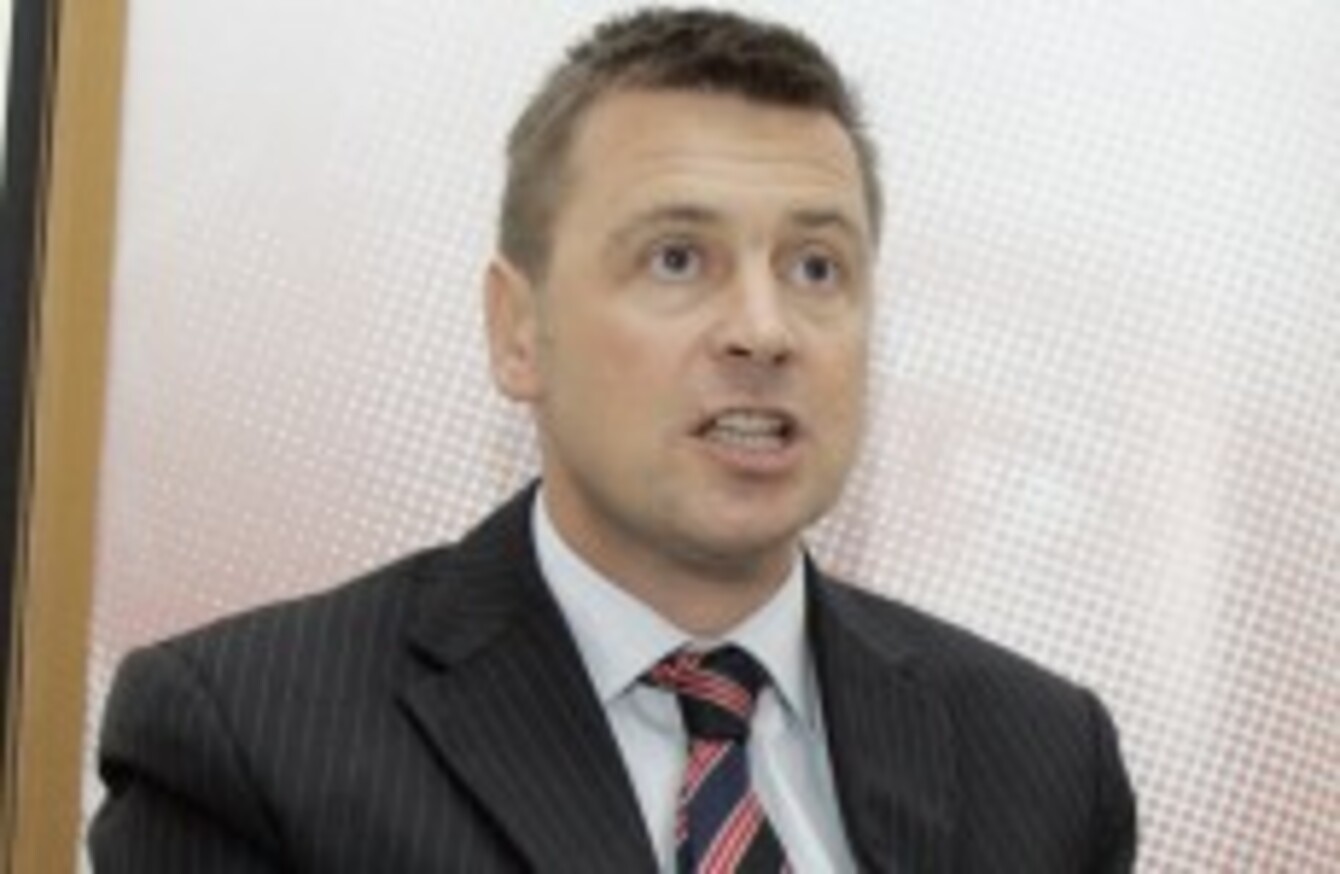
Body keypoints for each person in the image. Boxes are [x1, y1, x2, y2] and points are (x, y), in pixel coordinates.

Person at [90, 7, 1137, 873]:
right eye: (678, 258)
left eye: (815, 268)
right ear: (517, 330)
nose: (763, 329)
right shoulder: (252, 740)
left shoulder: (1041, 758)